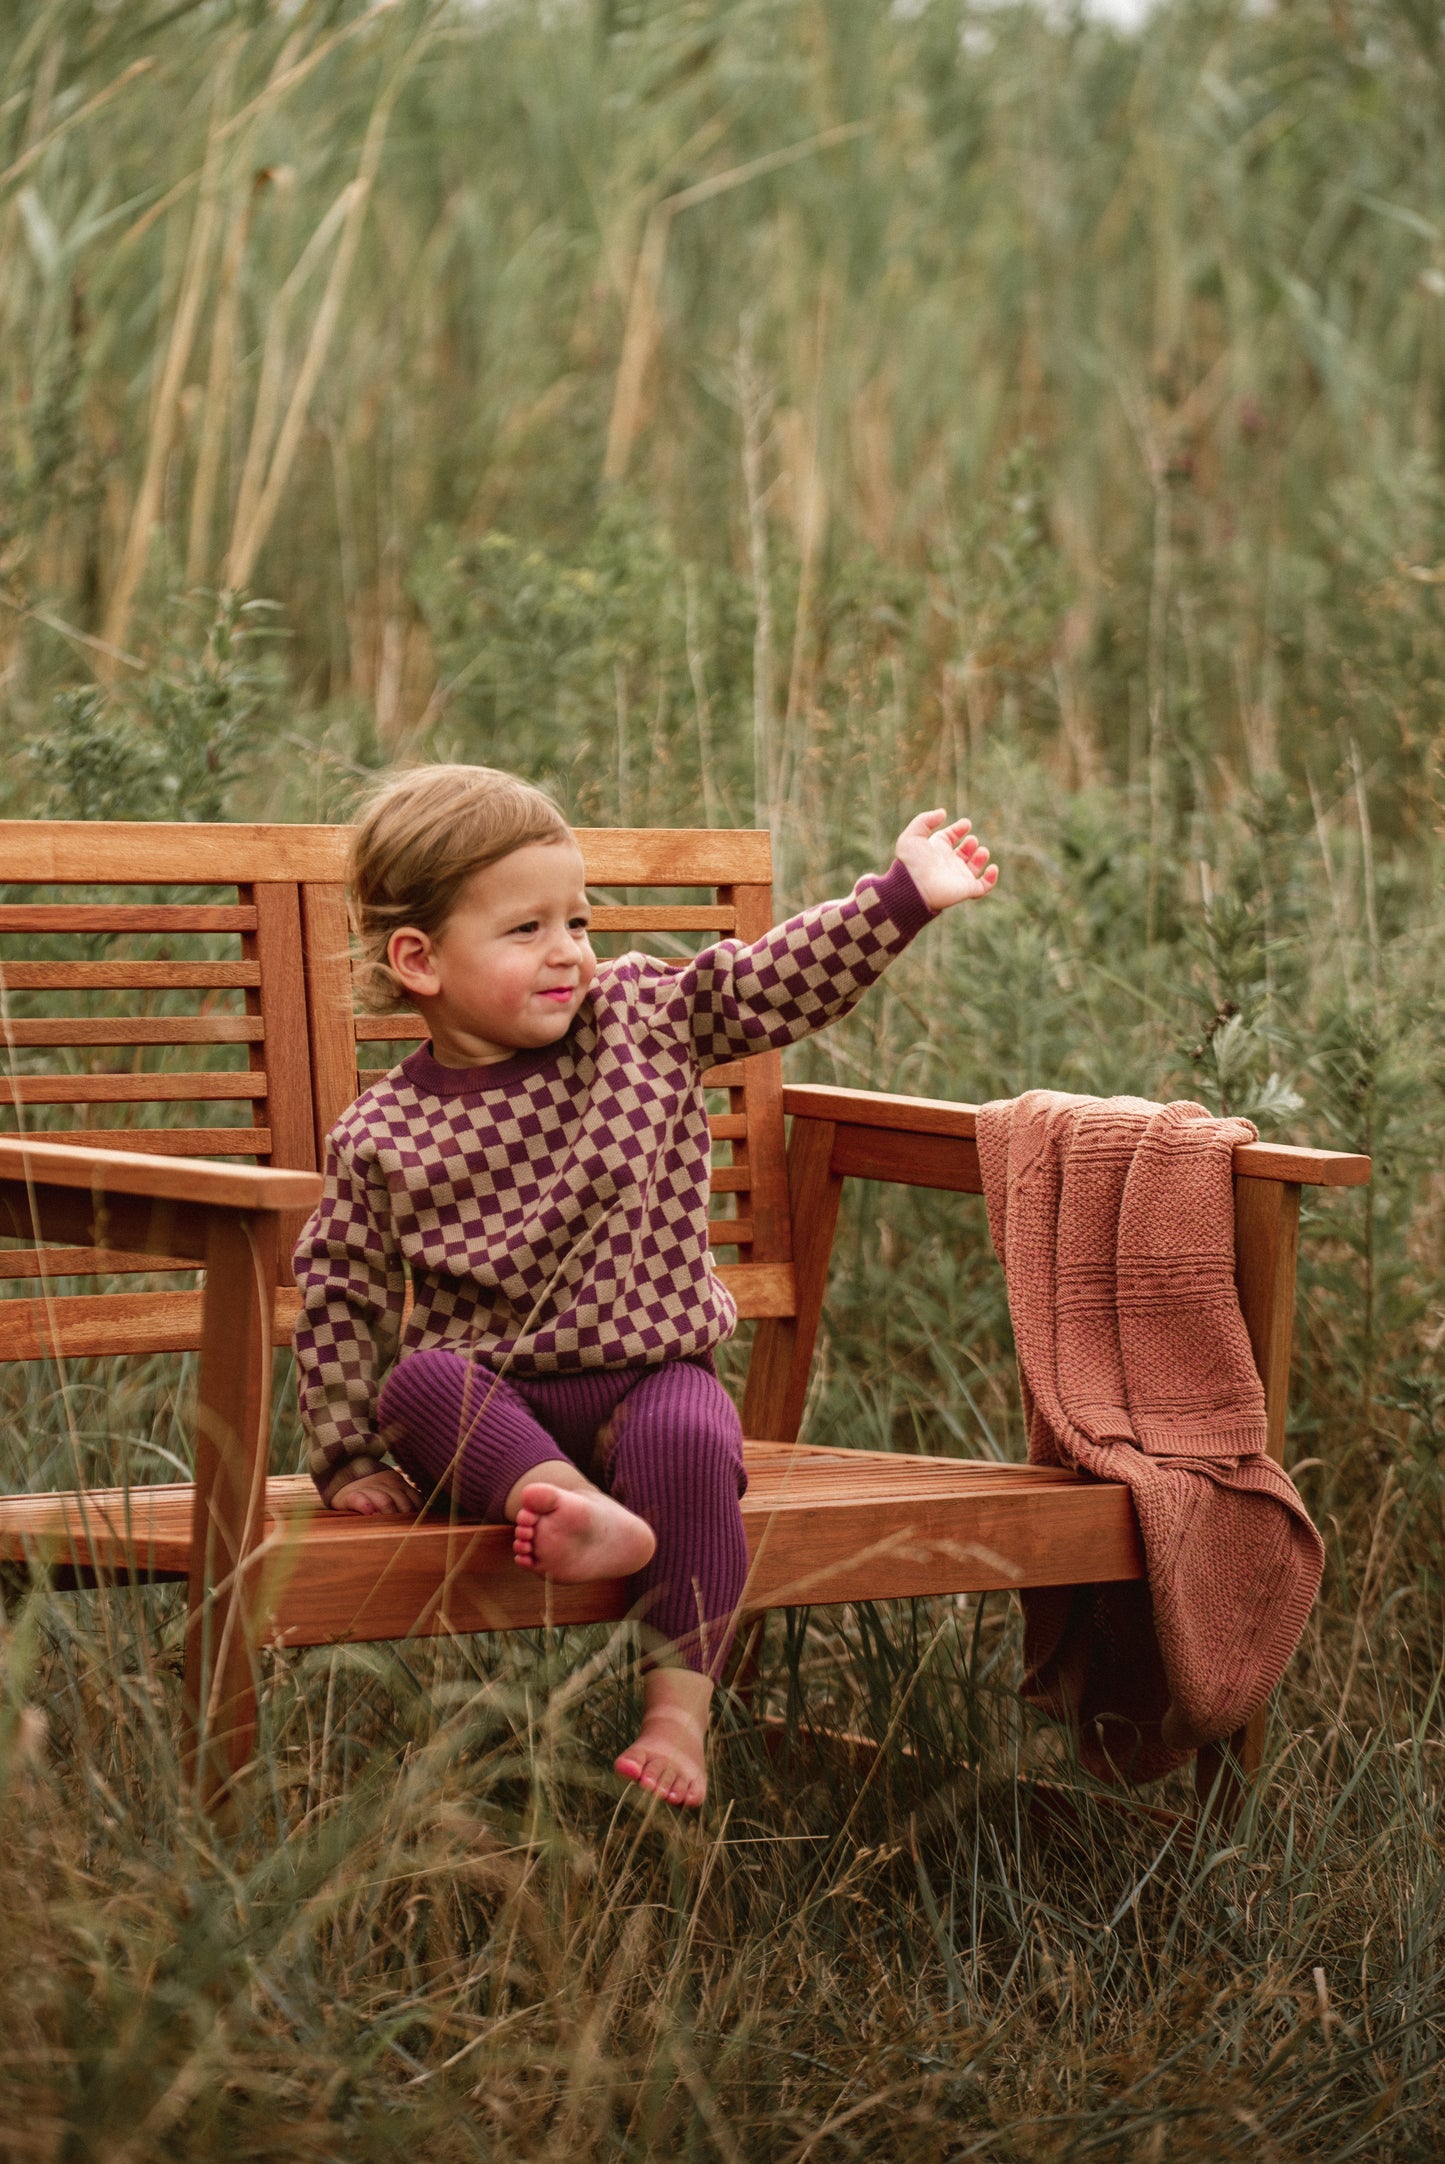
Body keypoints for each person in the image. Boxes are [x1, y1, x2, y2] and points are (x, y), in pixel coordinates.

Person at [293, 764, 999, 1809]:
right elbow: (339, 1289)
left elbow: (765, 983)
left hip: (645, 1379)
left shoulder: (640, 1021)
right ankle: (570, 1506)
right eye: (525, 930)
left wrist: (897, 897)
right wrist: (348, 1451)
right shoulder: (382, 1133)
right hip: (498, 1423)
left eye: (576, 920)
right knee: (418, 1385)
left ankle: (676, 1712)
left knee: (692, 1441)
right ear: (419, 960)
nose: (568, 951)